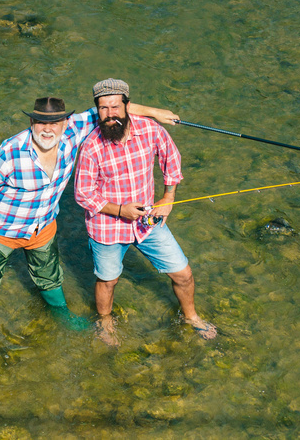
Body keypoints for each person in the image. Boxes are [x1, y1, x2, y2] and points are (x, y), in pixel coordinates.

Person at [0, 95, 178, 340]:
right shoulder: (11, 150)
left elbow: (110, 110)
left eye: (54, 123)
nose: (47, 129)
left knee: (49, 275)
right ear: (32, 122)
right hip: (2, 229)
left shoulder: (72, 133)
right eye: (40, 122)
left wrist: (155, 112)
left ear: (66, 123)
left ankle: (61, 313)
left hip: (43, 227)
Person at [74, 78, 218, 346]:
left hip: (148, 222)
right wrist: (120, 210)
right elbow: (83, 193)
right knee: (108, 281)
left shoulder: (151, 131)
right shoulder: (91, 145)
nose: (110, 115)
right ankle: (105, 322)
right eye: (103, 109)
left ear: (128, 106)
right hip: (107, 227)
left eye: (115, 107)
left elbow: (171, 159)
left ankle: (191, 317)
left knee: (183, 274)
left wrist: (168, 197)